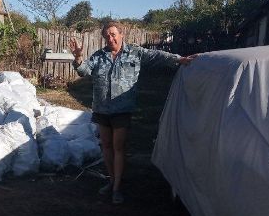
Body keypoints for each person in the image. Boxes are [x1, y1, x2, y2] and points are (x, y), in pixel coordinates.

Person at [70, 22, 196, 204]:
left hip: (122, 109)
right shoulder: (99, 56)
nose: (110, 38)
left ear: (122, 34)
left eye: (113, 34)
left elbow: (157, 56)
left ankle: (117, 187)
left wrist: (178, 59)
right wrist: (79, 58)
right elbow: (83, 72)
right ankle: (111, 180)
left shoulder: (135, 53)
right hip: (102, 108)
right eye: (106, 36)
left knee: (118, 147)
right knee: (106, 146)